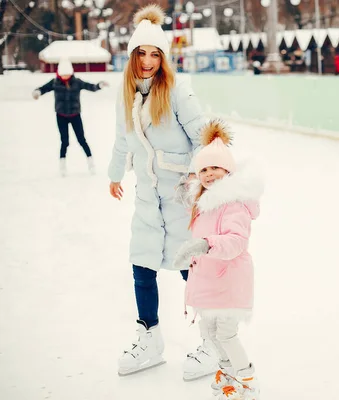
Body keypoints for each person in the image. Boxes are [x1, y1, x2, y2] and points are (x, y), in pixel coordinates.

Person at [107, 4, 217, 378]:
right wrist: (114, 174)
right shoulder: (126, 94)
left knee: (191, 268)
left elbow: (203, 136)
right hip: (145, 198)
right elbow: (123, 139)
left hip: (180, 197)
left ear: (165, 58)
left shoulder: (178, 91)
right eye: (142, 53)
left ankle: (213, 340)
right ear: (133, 55)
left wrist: (197, 180)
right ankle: (149, 338)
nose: (149, 61)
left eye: (156, 54)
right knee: (142, 265)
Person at [173, 119, 264, 399]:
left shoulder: (233, 203)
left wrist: (204, 244)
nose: (209, 174)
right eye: (203, 169)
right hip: (211, 281)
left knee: (225, 333)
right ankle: (227, 373)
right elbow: (187, 197)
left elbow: (236, 242)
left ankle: (247, 379)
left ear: (228, 171)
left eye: (215, 168)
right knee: (210, 333)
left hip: (230, 280)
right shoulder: (206, 202)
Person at [32, 58, 108, 176]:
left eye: (68, 74)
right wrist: (37, 92)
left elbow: (90, 87)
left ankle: (91, 163)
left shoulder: (76, 82)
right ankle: (62, 166)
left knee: (81, 139)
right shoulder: (55, 82)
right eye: (63, 74)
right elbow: (43, 89)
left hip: (75, 115)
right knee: (64, 141)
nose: (66, 76)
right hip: (61, 115)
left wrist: (99, 85)